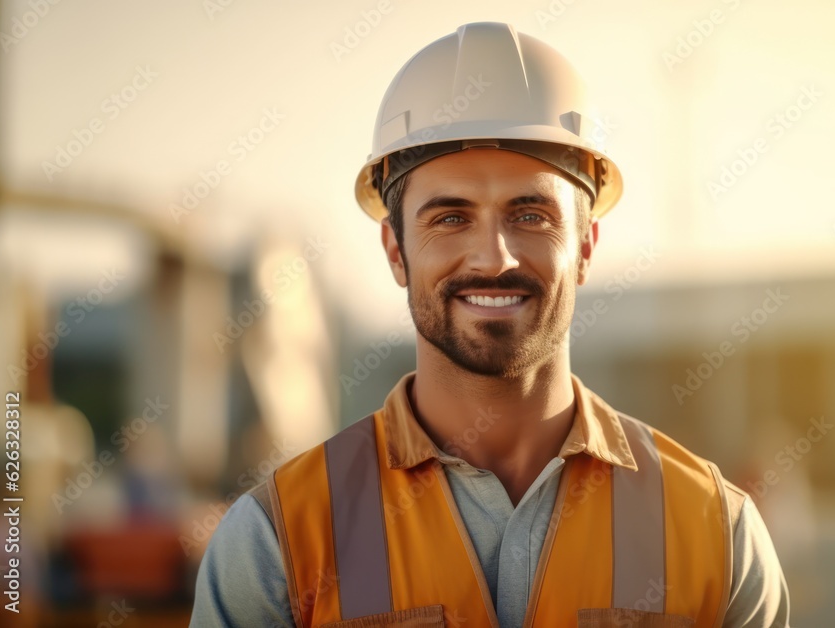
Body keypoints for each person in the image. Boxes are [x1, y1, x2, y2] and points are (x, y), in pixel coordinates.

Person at [190, 21, 790, 628]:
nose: (493, 257)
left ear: (585, 246)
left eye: (529, 213)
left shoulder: (716, 534)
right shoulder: (278, 544)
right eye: (450, 218)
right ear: (395, 250)